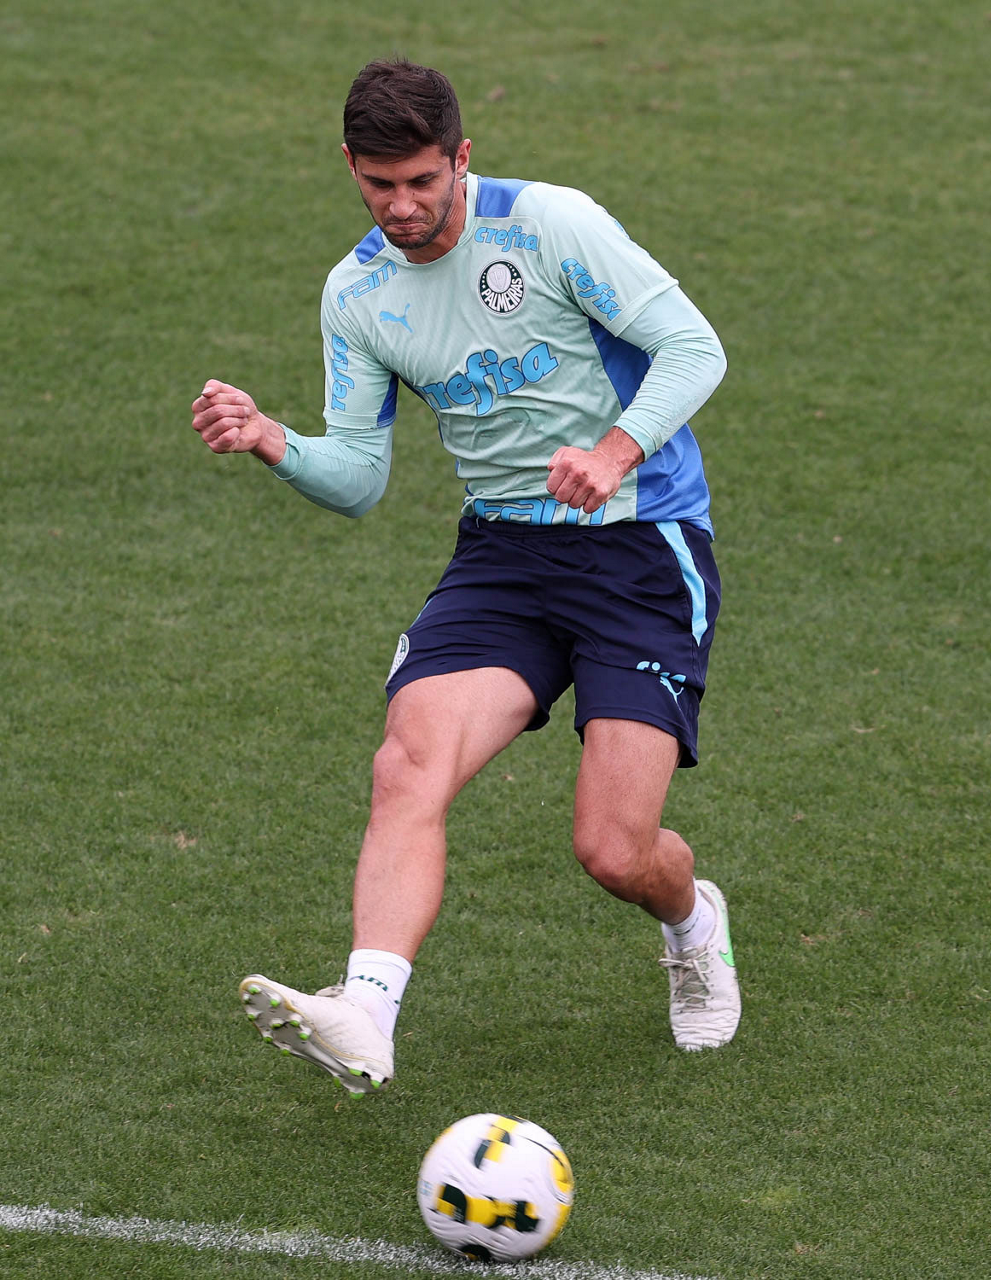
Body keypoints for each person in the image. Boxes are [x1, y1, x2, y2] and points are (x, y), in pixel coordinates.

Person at [191, 58, 740, 1099]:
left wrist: (613, 451)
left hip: (638, 544)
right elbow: (359, 478)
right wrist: (271, 439)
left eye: (421, 181)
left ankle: (691, 922)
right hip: (503, 557)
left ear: (460, 159)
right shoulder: (358, 294)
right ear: (350, 167)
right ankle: (367, 1010)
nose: (401, 206)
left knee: (614, 850)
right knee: (407, 764)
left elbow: (692, 346)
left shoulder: (549, 226)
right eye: (378, 185)